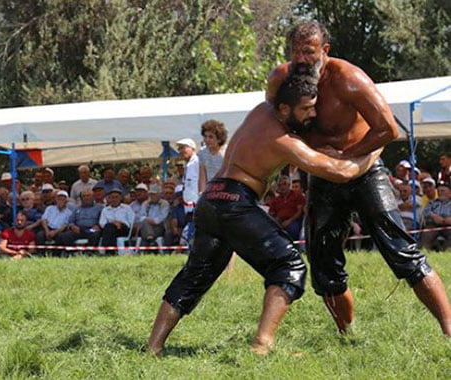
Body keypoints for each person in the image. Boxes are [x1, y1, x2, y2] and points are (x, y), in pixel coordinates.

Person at [148, 73, 382, 357]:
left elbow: (275, 83)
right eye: (306, 109)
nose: (313, 114)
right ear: (285, 109)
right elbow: (340, 172)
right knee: (289, 266)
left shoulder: (261, 112)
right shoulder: (284, 141)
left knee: (193, 277)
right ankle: (261, 346)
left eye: (314, 107)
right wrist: (375, 148)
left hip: (210, 201)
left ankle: (153, 347)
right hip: (235, 201)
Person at [267, 21, 451, 336]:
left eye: (308, 52)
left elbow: (388, 129)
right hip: (324, 176)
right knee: (323, 263)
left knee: (402, 251)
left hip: (365, 170)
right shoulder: (281, 81)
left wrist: (346, 156)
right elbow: (274, 124)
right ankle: (346, 334)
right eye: (295, 52)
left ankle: (449, 328)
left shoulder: (348, 78)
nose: (300, 59)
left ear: (325, 51)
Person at [99, 188, 135, 255]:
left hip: (124, 229)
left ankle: (108, 251)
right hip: (110, 229)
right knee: (110, 227)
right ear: (109, 198)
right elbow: (102, 223)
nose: (114, 199)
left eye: (116, 197)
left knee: (109, 228)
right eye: (112, 197)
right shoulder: (105, 210)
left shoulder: (127, 208)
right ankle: (111, 251)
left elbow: (131, 221)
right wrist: (114, 222)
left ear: (120, 198)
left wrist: (120, 223)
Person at [197, 120, 227, 193]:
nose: (207, 140)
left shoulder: (227, 152)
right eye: (205, 136)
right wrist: (202, 193)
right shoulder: (202, 153)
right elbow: (202, 175)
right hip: (210, 190)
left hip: (226, 190)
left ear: (219, 139)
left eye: (211, 137)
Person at [420, 182, 451, 250]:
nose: (440, 193)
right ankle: (424, 253)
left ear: (450, 193)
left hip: (449, 226)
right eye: (438, 191)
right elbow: (425, 213)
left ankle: (448, 253)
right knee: (427, 234)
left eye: (443, 191)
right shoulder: (432, 202)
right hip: (433, 225)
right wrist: (433, 216)